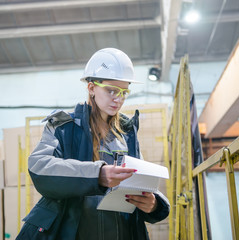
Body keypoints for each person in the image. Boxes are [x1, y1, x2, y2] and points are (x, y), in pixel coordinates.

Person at [16, 48, 170, 240]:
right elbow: (40, 167)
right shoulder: (64, 128)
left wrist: (153, 204)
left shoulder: (126, 134)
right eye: (112, 90)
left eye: (124, 92)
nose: (118, 99)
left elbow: (141, 182)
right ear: (91, 88)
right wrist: (96, 175)